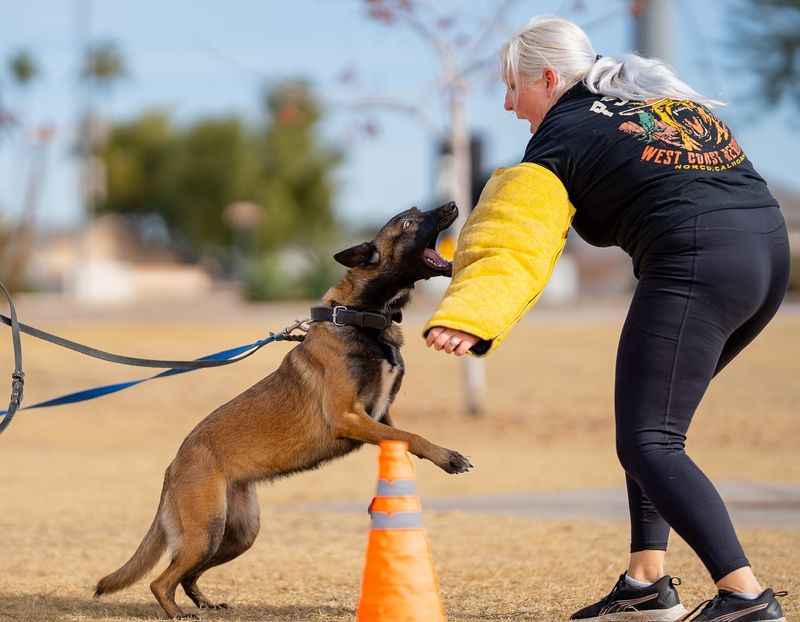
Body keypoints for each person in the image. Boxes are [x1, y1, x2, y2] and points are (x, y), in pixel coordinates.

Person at [424, 16, 789, 622]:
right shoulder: (659, 103)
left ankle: (746, 597)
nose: (510, 104)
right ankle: (647, 582)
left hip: (698, 262)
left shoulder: (561, 135)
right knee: (652, 433)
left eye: (514, 86)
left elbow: (516, 238)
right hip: (767, 259)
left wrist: (471, 313)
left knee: (649, 440)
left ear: (548, 78)